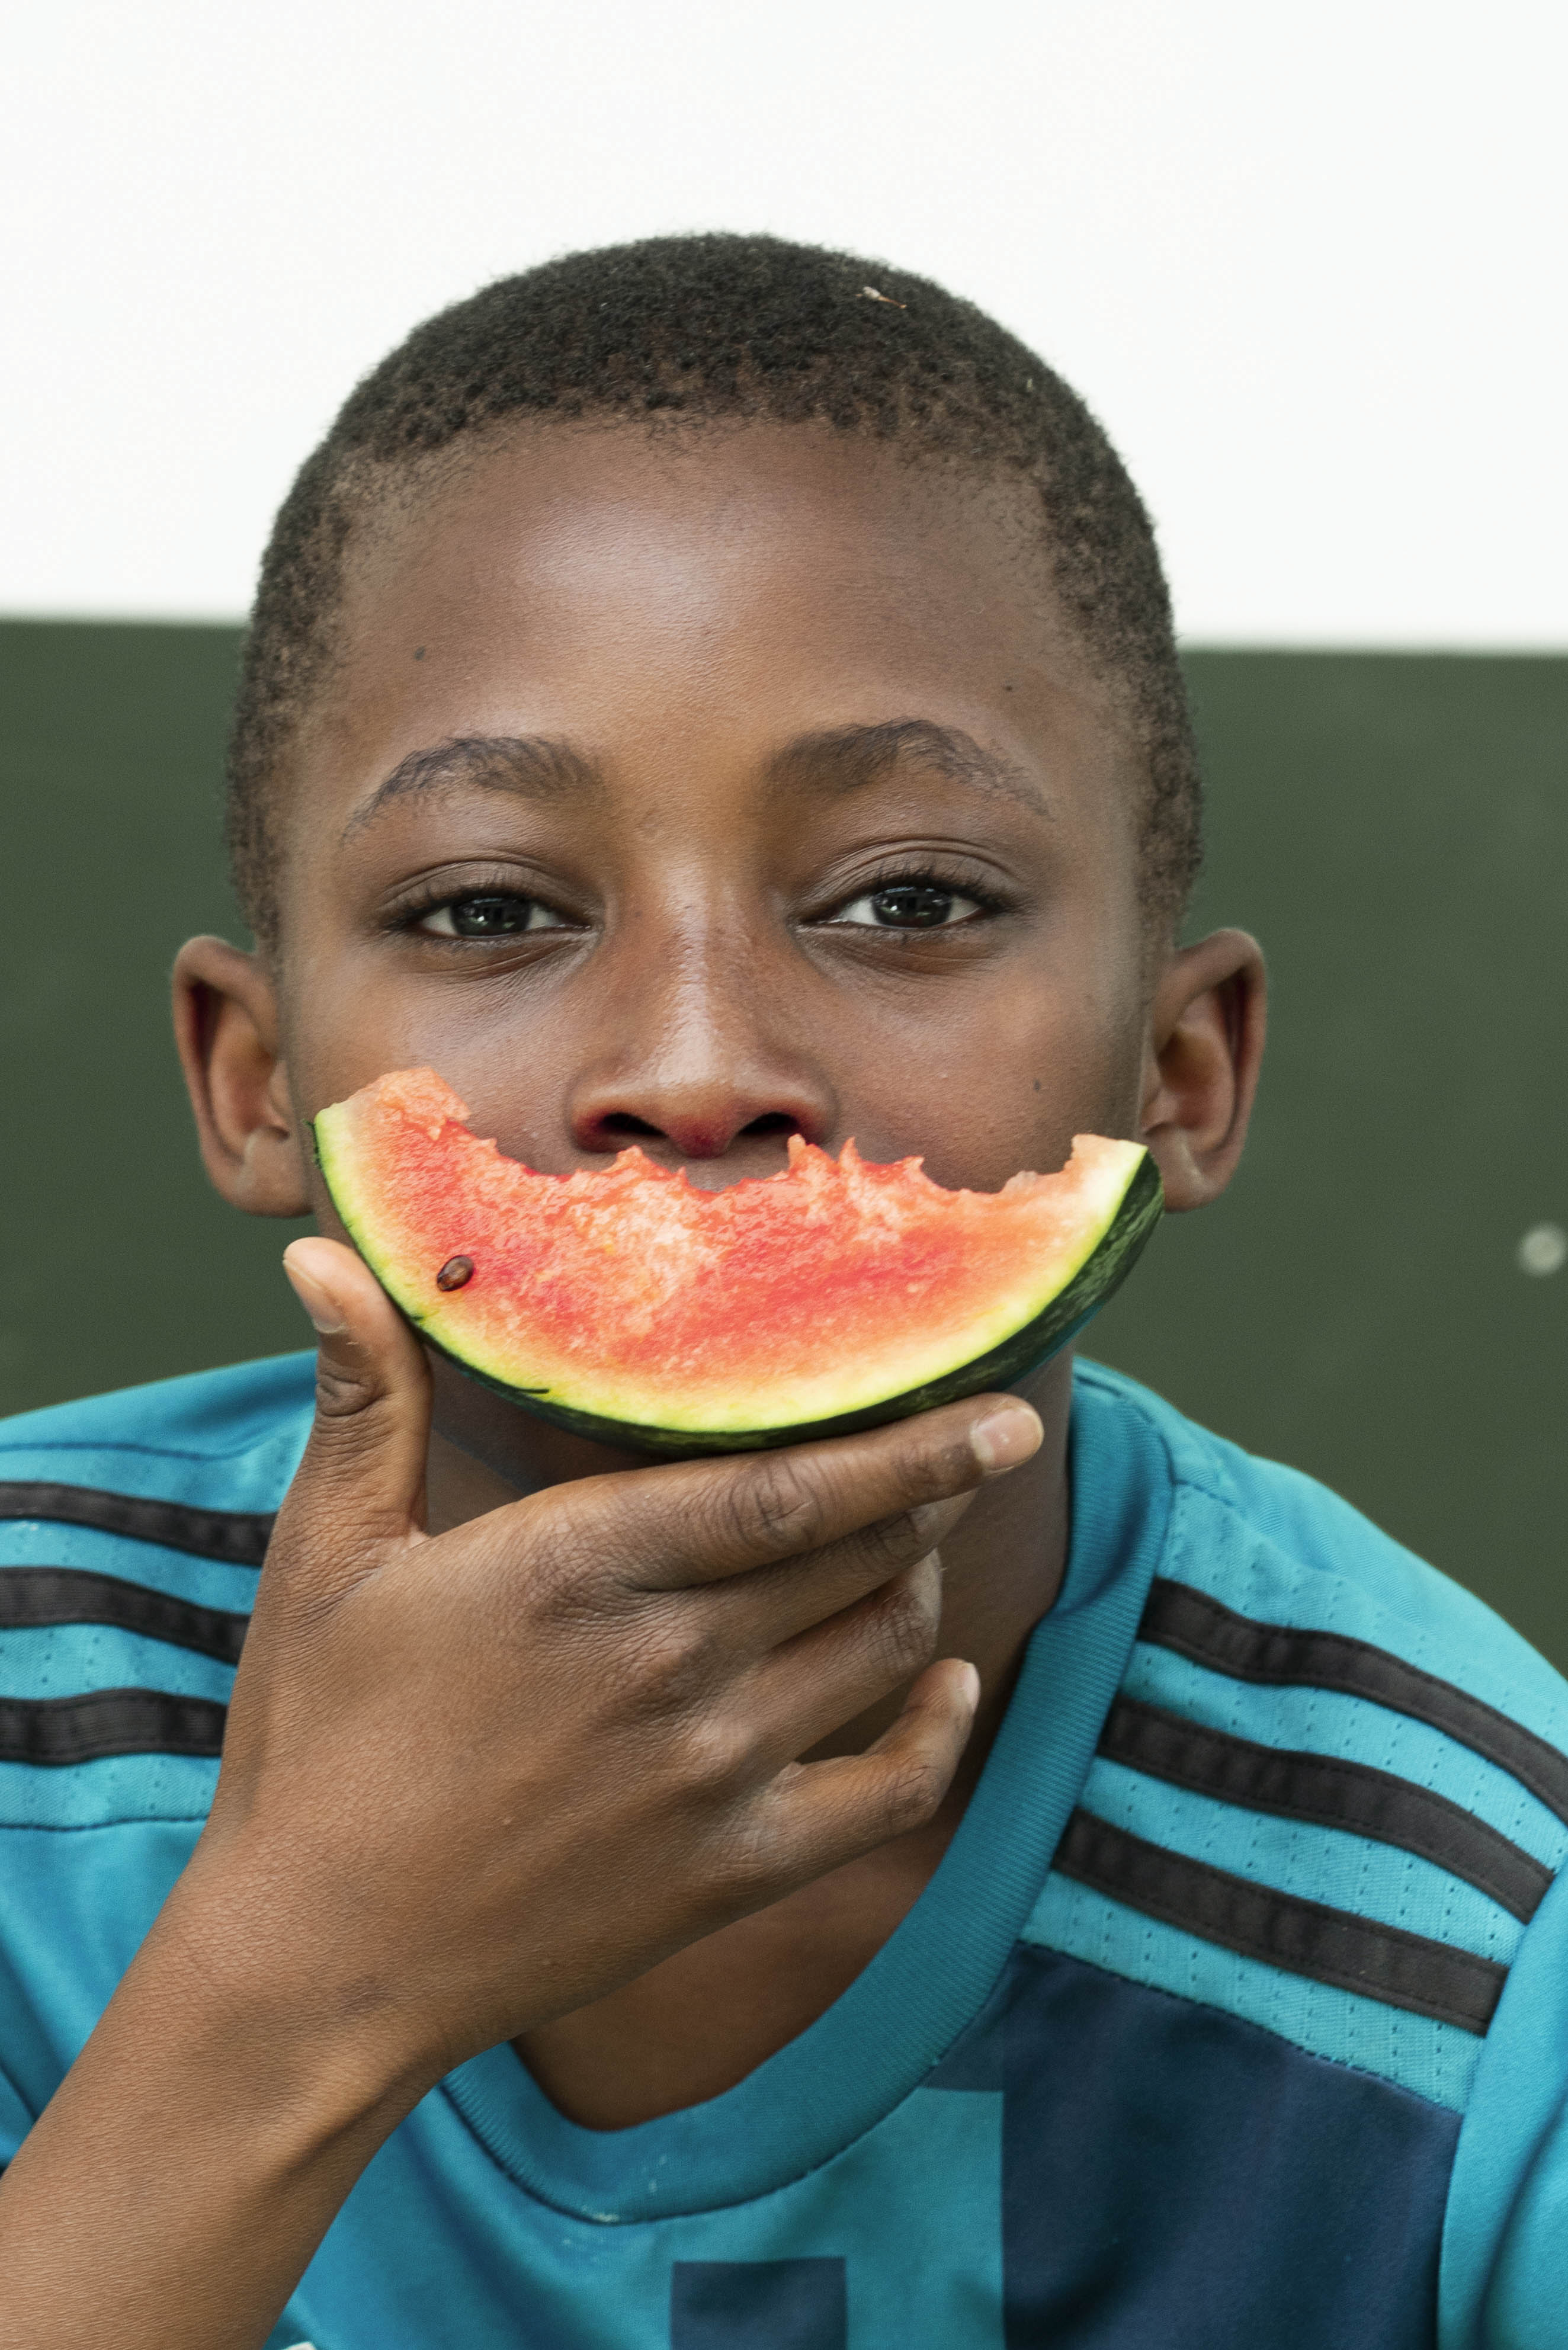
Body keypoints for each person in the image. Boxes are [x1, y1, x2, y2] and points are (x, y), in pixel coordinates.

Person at [0, 235, 1563, 2350]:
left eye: (908, 899)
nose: (697, 1063)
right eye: (487, 910)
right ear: (256, 1081)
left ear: (1181, 1074)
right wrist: (300, 1986)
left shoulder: (1486, 1949)